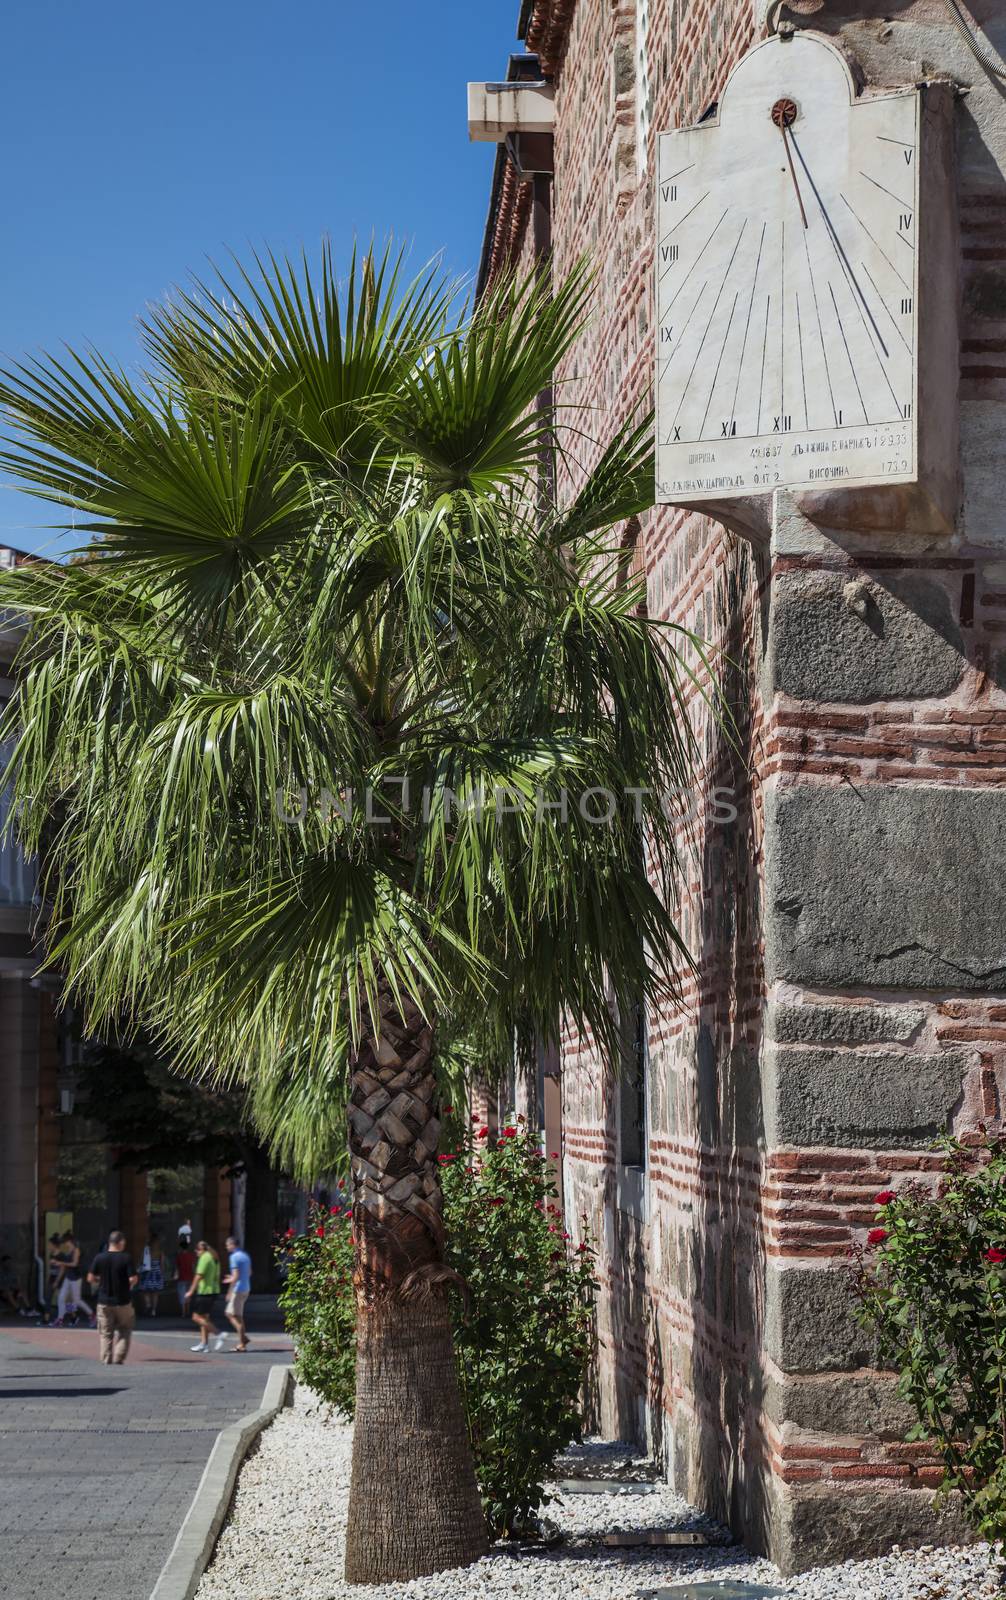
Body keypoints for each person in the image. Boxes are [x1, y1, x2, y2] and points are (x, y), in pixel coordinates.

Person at [87, 1231, 138, 1364]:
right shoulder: (126, 1258)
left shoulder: (99, 1258)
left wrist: (101, 1281)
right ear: (120, 1242)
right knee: (125, 1329)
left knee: (105, 1333)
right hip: (123, 1301)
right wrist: (129, 1285)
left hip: (104, 1301)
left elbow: (90, 1278)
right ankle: (118, 1357)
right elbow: (133, 1278)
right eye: (124, 1242)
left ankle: (106, 1358)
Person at [185, 1240, 226, 1352]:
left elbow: (198, 1276)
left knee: (196, 1317)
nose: (196, 1252)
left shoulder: (204, 1258)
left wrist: (190, 1291)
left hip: (205, 1292)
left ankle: (219, 1334)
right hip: (213, 1290)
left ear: (202, 1249)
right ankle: (204, 1344)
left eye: (197, 1250)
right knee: (204, 1318)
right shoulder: (214, 1257)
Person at [53, 1232, 94, 1328]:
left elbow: (75, 1264)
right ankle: (60, 1319)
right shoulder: (68, 1250)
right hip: (68, 1277)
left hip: (75, 1278)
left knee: (76, 1300)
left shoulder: (76, 1250)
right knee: (61, 1298)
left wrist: (61, 1263)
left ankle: (92, 1315)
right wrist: (61, 1263)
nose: (64, 1244)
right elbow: (68, 1264)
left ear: (69, 1241)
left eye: (65, 1241)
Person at [223, 1236, 252, 1352]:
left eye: (227, 1245)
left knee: (232, 1315)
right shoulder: (245, 1256)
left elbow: (235, 1277)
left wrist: (229, 1289)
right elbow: (249, 1272)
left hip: (238, 1289)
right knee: (235, 1315)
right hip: (246, 1287)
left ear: (232, 1245)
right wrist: (236, 1278)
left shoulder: (234, 1257)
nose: (226, 1247)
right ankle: (243, 1339)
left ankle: (242, 1342)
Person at [137, 1231, 165, 1317]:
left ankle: (148, 1304)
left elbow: (141, 1260)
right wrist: (162, 1274)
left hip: (147, 1271)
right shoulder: (160, 1251)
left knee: (145, 1291)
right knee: (155, 1293)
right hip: (156, 1272)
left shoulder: (147, 1249)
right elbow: (162, 1263)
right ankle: (154, 1310)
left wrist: (138, 1267)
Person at [174, 1234, 197, 1314]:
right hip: (190, 1277)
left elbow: (177, 1268)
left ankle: (183, 1312)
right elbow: (193, 1267)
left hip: (181, 1277)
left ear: (181, 1247)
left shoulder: (179, 1256)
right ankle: (188, 1310)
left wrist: (174, 1276)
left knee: (182, 1295)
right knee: (188, 1294)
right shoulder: (191, 1256)